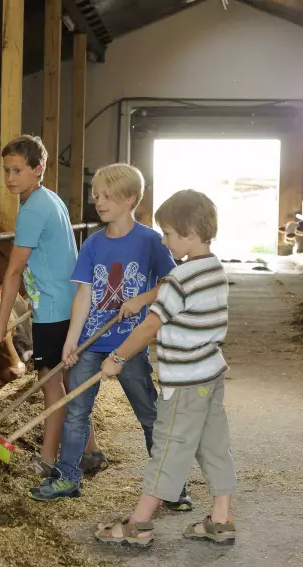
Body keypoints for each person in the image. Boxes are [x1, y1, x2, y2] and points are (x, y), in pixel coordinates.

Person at [28, 163, 192, 510]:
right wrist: (72, 340)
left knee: (148, 412)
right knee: (76, 412)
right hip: (91, 342)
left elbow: (172, 284)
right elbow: (84, 294)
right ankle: (68, 477)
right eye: (96, 196)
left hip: (129, 345)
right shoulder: (93, 244)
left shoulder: (150, 241)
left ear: (130, 198)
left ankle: (170, 484)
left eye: (106, 196)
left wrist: (141, 300)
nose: (98, 202)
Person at [94, 189, 236, 547]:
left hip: (185, 383)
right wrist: (144, 297)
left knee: (168, 446)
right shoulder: (214, 269)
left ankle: (139, 523)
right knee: (213, 445)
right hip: (210, 376)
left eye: (169, 233)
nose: (163, 238)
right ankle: (221, 519)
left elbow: (149, 327)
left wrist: (117, 359)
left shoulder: (178, 279)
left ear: (189, 233)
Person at [0, 134, 106, 477]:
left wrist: (0, 324)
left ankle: (48, 458)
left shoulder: (32, 211)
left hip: (54, 309)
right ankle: (91, 451)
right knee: (68, 380)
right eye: (6, 170)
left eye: (17, 170)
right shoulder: (48, 199)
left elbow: (12, 272)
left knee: (50, 384)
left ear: (38, 169)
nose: (10, 177)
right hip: (66, 302)